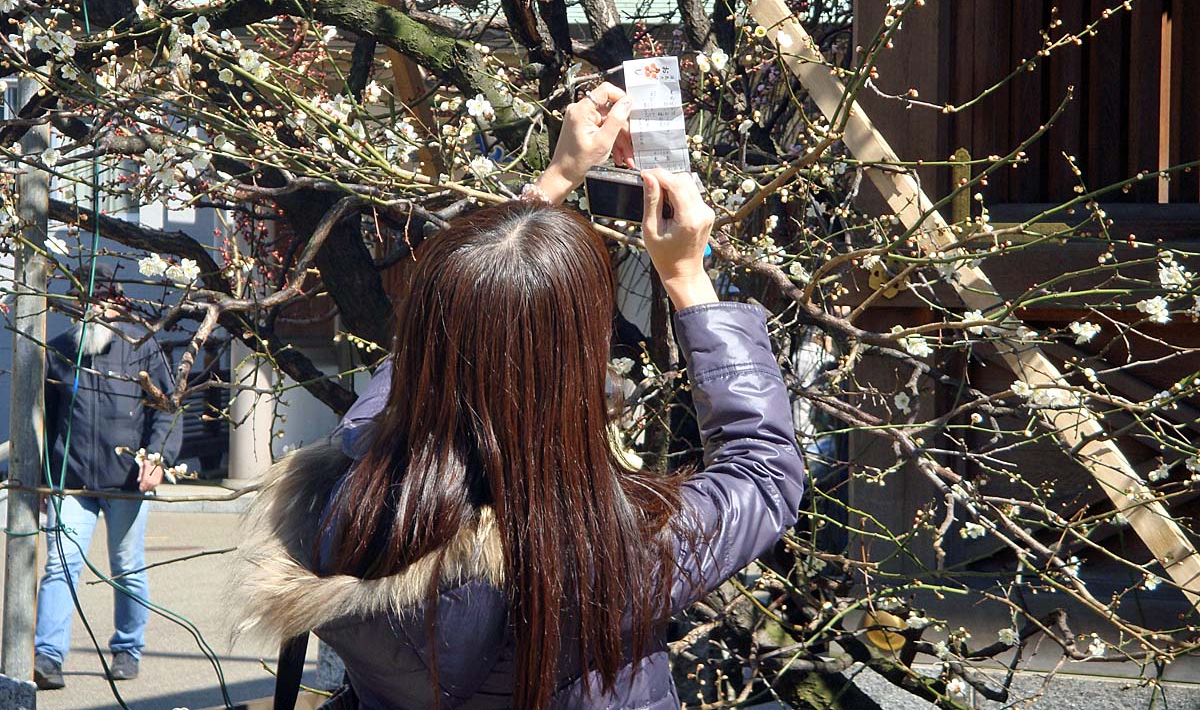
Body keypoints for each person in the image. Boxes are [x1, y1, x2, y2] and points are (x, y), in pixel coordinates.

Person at [233, 84, 807, 710]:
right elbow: (764, 469)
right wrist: (688, 278)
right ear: (577, 364)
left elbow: (422, 366)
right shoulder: (613, 556)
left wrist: (553, 182)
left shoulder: (345, 510)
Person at [33, 263, 181, 691]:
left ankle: (127, 649)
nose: (91, 310)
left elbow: (168, 411)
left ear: (118, 305)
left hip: (127, 483)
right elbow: (42, 421)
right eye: (83, 302)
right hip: (72, 482)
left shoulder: (143, 350)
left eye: (99, 302)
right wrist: (45, 478)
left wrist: (158, 458)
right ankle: (47, 657)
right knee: (60, 566)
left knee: (127, 567)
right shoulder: (59, 352)